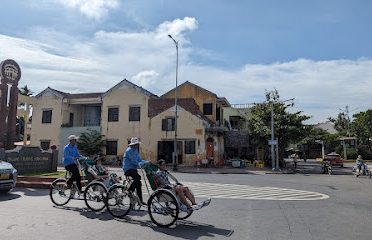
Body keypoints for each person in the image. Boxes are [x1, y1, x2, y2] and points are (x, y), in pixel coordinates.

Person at [122, 137, 148, 205]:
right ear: (132, 145)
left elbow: (139, 160)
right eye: (136, 144)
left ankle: (140, 201)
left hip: (133, 169)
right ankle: (129, 190)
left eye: (137, 144)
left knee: (139, 183)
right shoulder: (129, 150)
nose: (137, 145)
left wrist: (146, 162)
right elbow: (134, 162)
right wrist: (142, 164)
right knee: (138, 178)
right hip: (128, 169)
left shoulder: (136, 151)